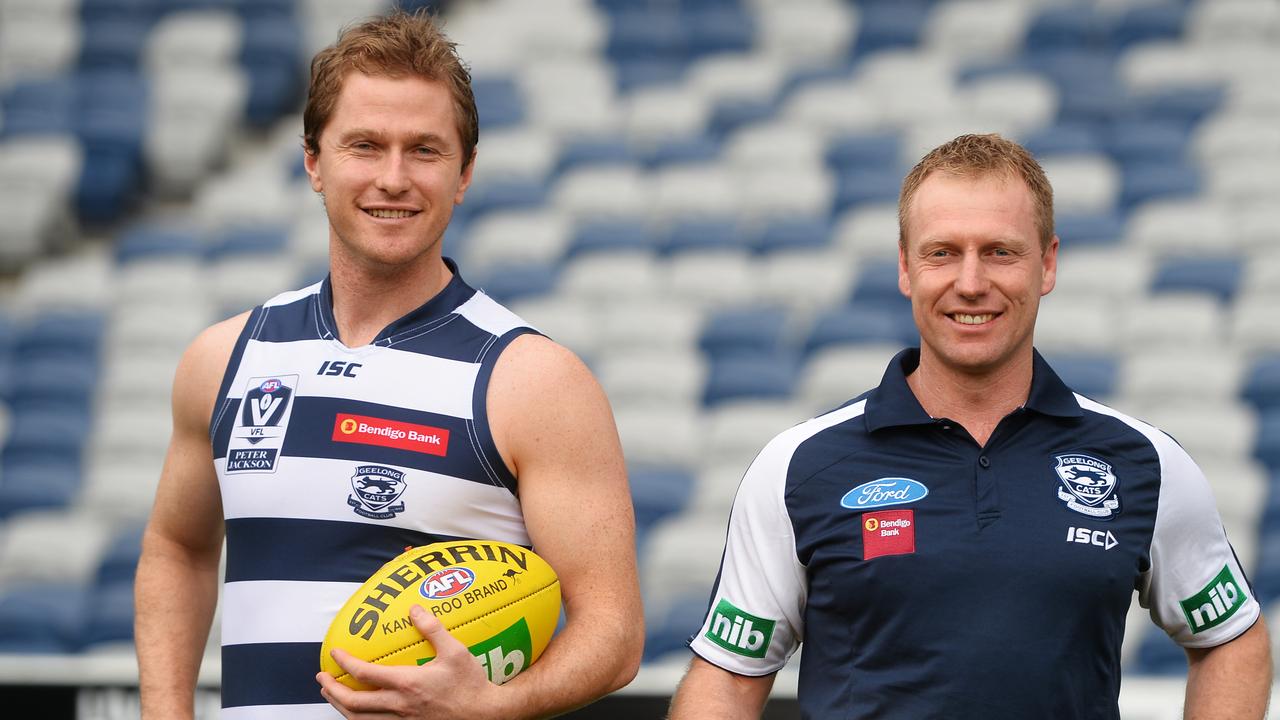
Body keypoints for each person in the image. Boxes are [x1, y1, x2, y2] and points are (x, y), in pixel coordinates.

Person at [134, 11, 643, 719]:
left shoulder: (531, 380)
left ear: (464, 173)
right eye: (365, 146)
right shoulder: (226, 358)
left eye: (425, 150)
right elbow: (178, 547)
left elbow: (614, 636)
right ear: (315, 161)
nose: (394, 178)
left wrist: (493, 707)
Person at [668, 133, 1272, 719]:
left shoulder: (1144, 461)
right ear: (906, 267)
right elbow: (725, 682)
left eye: (1000, 252)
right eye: (942, 252)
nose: (971, 282)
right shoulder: (798, 467)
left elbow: (1230, 640)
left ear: (1048, 264)